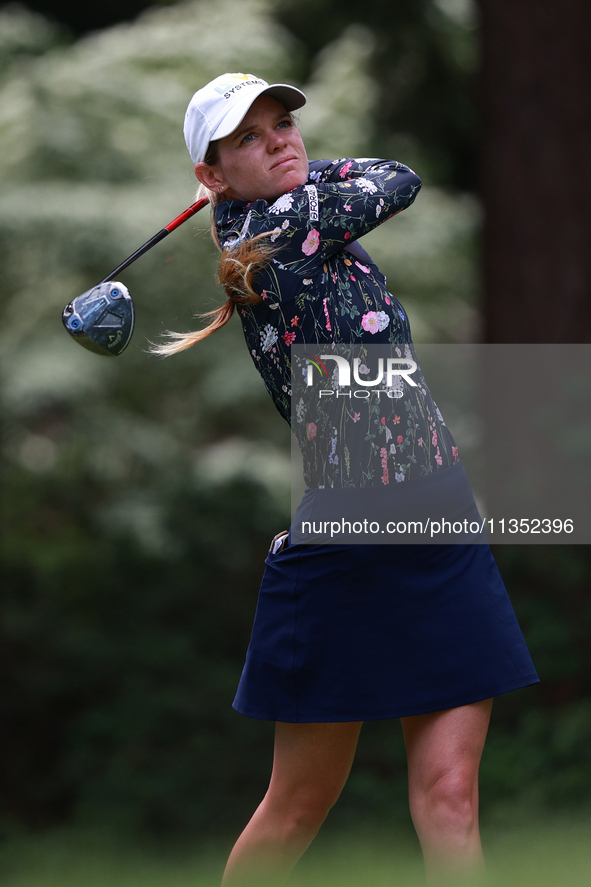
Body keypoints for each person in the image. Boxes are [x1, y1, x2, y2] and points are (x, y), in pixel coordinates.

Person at [153, 73, 539, 886]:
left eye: (282, 122)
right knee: (296, 805)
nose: (282, 138)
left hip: (436, 517)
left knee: (449, 795)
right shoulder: (284, 228)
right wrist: (305, 173)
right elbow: (397, 176)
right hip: (350, 538)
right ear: (212, 175)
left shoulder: (282, 219)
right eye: (251, 137)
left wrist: (278, 168)